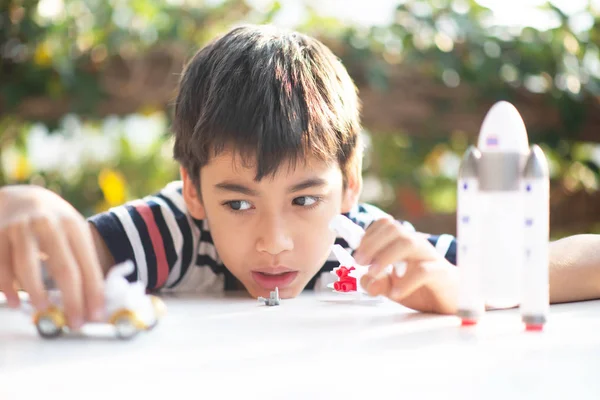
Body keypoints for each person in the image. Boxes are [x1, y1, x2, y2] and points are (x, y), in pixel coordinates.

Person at [1, 25, 599, 330]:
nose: (275, 241)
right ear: (193, 189)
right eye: (238, 204)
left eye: (306, 198)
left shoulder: (363, 248)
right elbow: (46, 256)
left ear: (349, 182)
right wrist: (16, 205)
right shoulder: (171, 231)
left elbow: (560, 264)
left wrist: (466, 284)